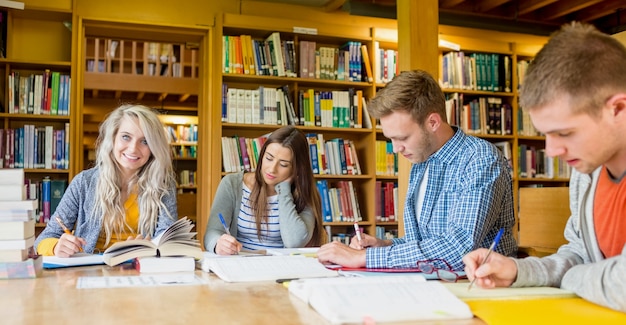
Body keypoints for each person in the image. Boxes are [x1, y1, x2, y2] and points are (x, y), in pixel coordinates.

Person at [463, 22, 626, 313]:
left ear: (618, 108)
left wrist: (571, 277)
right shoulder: (586, 172)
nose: (551, 151)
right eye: (546, 135)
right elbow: (578, 254)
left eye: (564, 133)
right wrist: (518, 270)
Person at [317, 69, 516, 270]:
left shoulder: (479, 159)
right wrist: (384, 245)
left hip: (476, 285)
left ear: (433, 122)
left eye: (402, 138)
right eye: (391, 139)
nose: (395, 149)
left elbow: (459, 250)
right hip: (431, 283)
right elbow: (423, 243)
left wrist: (364, 258)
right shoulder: (421, 161)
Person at [35, 104, 178, 257]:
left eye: (145, 141)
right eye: (126, 137)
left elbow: (167, 238)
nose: (133, 148)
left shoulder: (163, 185)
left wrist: (150, 248)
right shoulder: (84, 182)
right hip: (89, 271)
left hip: (137, 269)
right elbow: (43, 239)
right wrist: (56, 246)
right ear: (113, 139)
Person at [205, 125, 325, 255]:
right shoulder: (232, 184)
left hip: (280, 268)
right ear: (262, 155)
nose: (272, 169)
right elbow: (212, 232)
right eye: (269, 158)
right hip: (238, 264)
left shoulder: (303, 194)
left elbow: (294, 242)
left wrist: (284, 190)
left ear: (297, 168)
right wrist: (218, 243)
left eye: (283, 164)